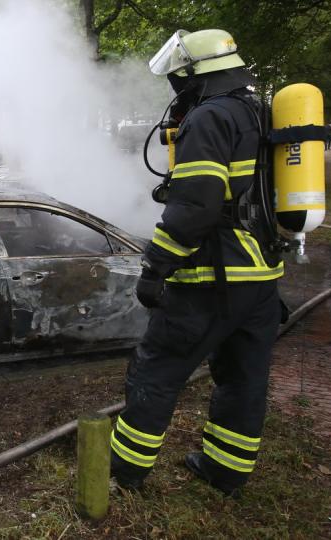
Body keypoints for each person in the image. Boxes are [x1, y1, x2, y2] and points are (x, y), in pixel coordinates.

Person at [112, 29, 284, 498]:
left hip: (213, 275)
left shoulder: (211, 116)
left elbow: (195, 206)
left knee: (156, 370)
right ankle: (225, 472)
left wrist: (156, 268)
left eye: (178, 76)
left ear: (194, 74)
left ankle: (122, 474)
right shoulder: (258, 112)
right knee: (243, 379)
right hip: (261, 277)